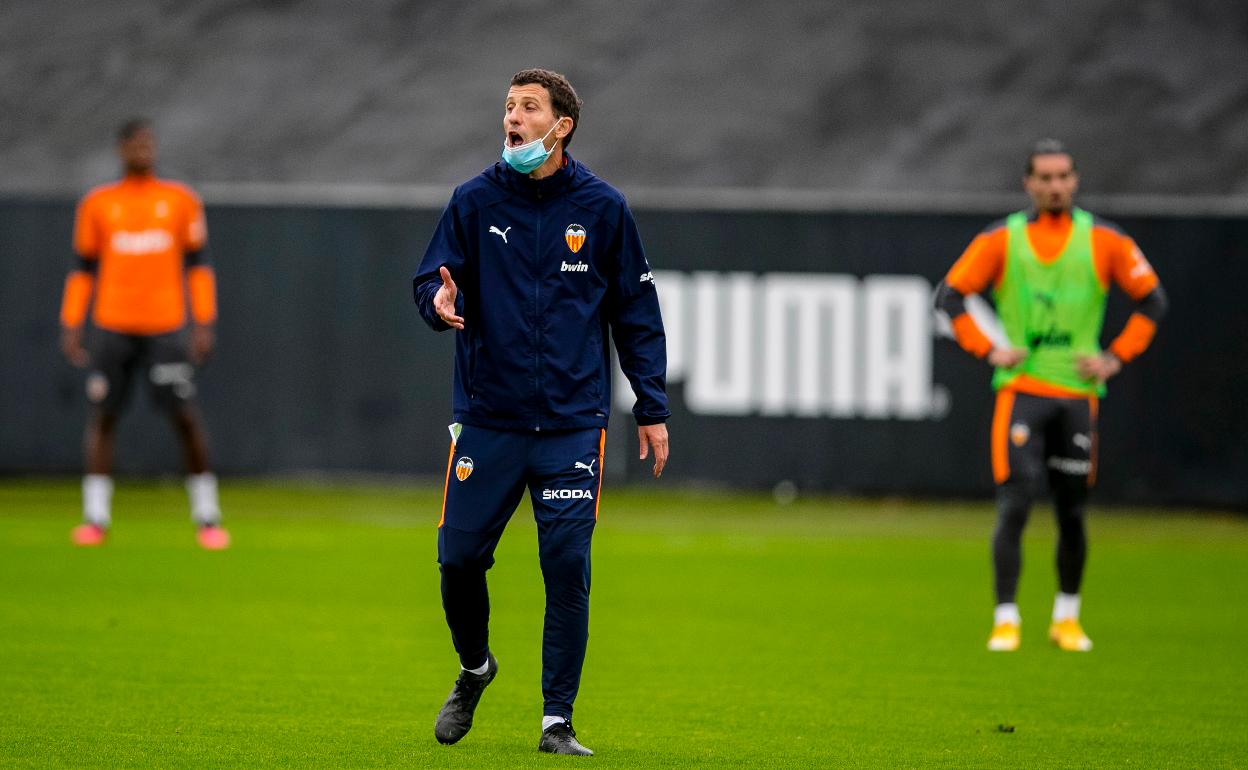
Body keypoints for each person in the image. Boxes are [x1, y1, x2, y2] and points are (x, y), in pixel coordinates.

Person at [412, 68, 670, 756]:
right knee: (458, 560)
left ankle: (557, 721)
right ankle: (475, 669)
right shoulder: (472, 201)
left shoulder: (604, 208)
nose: (512, 118)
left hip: (569, 424)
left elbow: (636, 313)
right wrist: (437, 306)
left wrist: (652, 406)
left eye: (528, 107)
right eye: (507, 106)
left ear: (563, 126)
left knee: (565, 561)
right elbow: (428, 278)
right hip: (488, 418)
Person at [934, 139, 1166, 652]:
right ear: (1029, 184)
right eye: (1045, 177)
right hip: (1022, 391)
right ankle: (1006, 616)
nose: (1055, 186)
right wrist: (987, 349)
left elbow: (1152, 300)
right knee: (1014, 503)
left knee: (1072, 510)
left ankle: (1066, 616)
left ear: (1075, 180)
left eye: (1063, 176)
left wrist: (1116, 357)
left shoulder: (1104, 240)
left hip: (1078, 395)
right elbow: (949, 295)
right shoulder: (1002, 239)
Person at [59, 119, 229, 551]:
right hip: (113, 325)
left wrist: (204, 322)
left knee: (185, 417)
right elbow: (83, 270)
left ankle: (207, 517)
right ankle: (95, 517)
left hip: (165, 327)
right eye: (136, 144)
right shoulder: (99, 204)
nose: (143, 151)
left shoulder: (178, 201)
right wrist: (71, 321)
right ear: (122, 150)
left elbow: (198, 266)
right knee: (104, 416)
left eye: (148, 143)